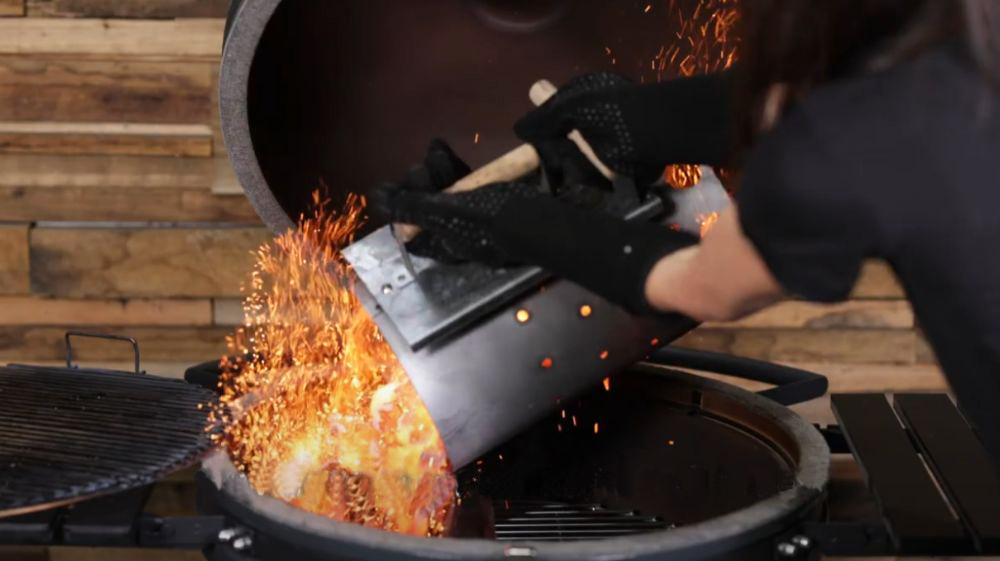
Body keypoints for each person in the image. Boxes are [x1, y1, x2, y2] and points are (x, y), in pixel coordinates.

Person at [376, 0, 1000, 465]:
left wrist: (522, 224)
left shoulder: (850, 133)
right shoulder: (963, 49)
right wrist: (640, 124)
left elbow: (706, 287)